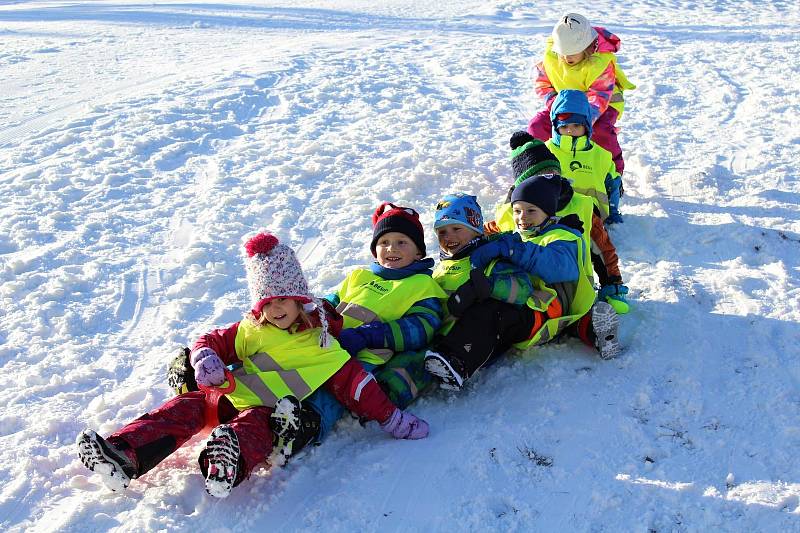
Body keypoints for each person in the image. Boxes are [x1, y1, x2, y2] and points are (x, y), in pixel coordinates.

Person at [76, 233, 429, 498]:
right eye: (267, 302)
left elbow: (358, 387)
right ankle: (123, 454)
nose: (275, 310)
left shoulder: (322, 344)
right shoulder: (252, 326)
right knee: (182, 409)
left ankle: (226, 465)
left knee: (251, 432)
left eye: (284, 302)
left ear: (300, 301)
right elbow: (213, 339)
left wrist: (392, 419)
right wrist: (204, 357)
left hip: (265, 410)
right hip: (226, 396)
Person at [276, 202, 446, 458]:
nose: (391, 248)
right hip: (329, 343)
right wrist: (308, 315)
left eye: (402, 242)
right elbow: (329, 303)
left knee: (342, 389)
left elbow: (420, 329)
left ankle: (308, 424)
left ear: (419, 253)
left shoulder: (422, 285)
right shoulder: (359, 277)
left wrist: (368, 335)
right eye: (385, 242)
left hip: (365, 356)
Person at [422, 193, 567, 390]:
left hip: (493, 334)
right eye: (442, 232)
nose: (449, 237)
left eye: (456, 228)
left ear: (475, 229)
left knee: (487, 309)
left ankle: (458, 364)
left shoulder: (489, 257)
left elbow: (523, 289)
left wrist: (487, 287)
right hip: (452, 333)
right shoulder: (441, 268)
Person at [474, 175, 621, 360]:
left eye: (531, 210)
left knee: (577, 321)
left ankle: (598, 333)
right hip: (538, 302)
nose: (522, 217)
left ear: (547, 212)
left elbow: (555, 266)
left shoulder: (562, 236)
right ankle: (590, 330)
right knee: (568, 326)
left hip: (563, 302)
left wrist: (514, 250)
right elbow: (488, 229)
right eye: (517, 211)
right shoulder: (519, 232)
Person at [486, 131, 630, 314]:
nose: (551, 182)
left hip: (573, 289)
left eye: (553, 174)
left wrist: (612, 284)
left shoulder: (581, 205)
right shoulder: (510, 212)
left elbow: (602, 249)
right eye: (541, 178)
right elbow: (487, 234)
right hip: (526, 291)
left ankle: (591, 326)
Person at [527, 12, 635, 176]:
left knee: (601, 133)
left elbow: (600, 95)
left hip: (600, 107)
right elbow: (542, 83)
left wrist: (581, 121)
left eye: (571, 52)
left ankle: (612, 174)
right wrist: (559, 107)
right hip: (563, 106)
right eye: (562, 52)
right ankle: (541, 168)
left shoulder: (599, 63)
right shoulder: (552, 57)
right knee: (538, 126)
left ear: (586, 47)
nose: (565, 57)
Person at [547, 89, 623, 224]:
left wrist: (612, 212)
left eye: (576, 125)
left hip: (591, 217)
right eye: (564, 126)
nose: (570, 130)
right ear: (555, 126)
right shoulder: (545, 152)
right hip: (552, 215)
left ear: (587, 126)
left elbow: (613, 186)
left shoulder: (600, 156)